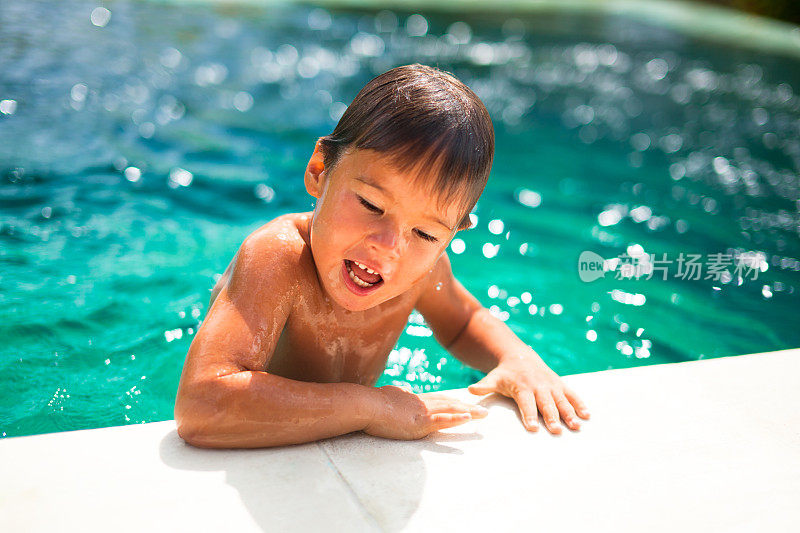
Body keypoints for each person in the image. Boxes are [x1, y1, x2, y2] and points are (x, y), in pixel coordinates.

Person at [174, 63, 590, 449]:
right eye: (372, 205)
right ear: (320, 169)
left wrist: (517, 358)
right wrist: (371, 408)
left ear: (449, 238)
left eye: (425, 233)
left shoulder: (424, 271)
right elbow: (202, 404)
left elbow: (463, 323)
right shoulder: (278, 258)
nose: (390, 245)